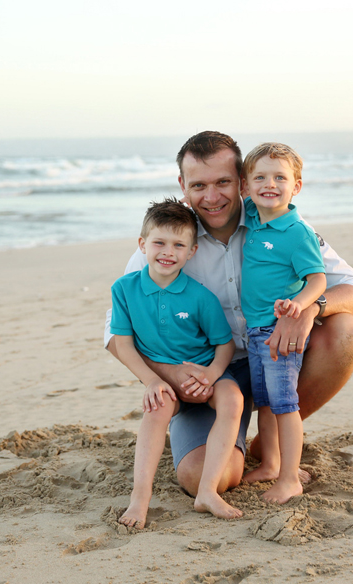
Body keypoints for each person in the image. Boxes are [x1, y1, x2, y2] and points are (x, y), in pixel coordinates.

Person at [104, 131, 353, 499]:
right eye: (199, 185)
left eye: (223, 183)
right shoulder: (170, 241)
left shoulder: (280, 222)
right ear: (182, 185)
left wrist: (310, 308)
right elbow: (114, 332)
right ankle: (231, 447)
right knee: (204, 478)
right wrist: (169, 374)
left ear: (242, 182)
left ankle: (270, 443)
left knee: (346, 331)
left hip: (274, 353)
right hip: (207, 378)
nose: (212, 197)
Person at [109, 198, 245, 528]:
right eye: (159, 243)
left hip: (204, 371)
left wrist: (211, 375)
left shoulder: (201, 296)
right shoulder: (124, 289)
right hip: (163, 378)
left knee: (233, 399)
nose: (168, 252)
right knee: (156, 409)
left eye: (178, 245)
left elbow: (224, 345)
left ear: (191, 252)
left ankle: (207, 492)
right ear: (142, 244)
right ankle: (139, 499)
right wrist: (152, 381)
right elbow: (122, 344)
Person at [238, 142, 325, 503]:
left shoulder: (297, 232)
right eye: (259, 177)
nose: (269, 184)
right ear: (246, 186)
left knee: (285, 405)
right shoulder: (252, 215)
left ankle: (290, 478)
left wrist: (299, 305)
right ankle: (271, 464)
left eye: (279, 177)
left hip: (278, 332)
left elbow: (317, 279)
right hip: (254, 332)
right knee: (266, 403)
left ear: (296, 186)